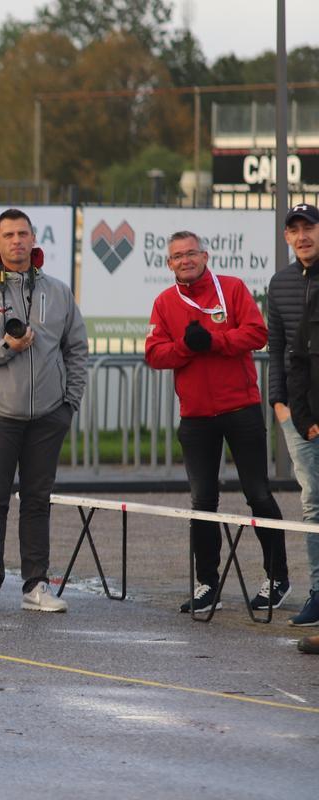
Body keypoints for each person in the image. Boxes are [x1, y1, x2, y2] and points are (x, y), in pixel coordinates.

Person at [0, 208, 87, 613]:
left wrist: (68, 402)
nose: (17, 241)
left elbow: (76, 348)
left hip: (48, 414)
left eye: (23, 233)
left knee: (37, 499)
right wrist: (3, 349)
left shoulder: (58, 291)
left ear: (34, 238)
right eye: (8, 235)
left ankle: (36, 585)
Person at [146, 231, 288, 614]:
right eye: (178, 256)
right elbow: (155, 354)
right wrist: (185, 348)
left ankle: (278, 577)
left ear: (205, 256)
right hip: (195, 417)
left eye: (192, 253)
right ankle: (208, 584)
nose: (186, 260)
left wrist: (213, 340)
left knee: (257, 494)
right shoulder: (164, 302)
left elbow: (257, 334)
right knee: (202, 501)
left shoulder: (232, 288)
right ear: (169, 264)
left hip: (240, 408)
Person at [275, 203, 319, 625]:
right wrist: (278, 402)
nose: (303, 236)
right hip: (295, 412)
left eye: (309, 227)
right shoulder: (281, 282)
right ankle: (318, 593)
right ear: (287, 237)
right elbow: (276, 349)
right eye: (295, 230)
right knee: (313, 505)